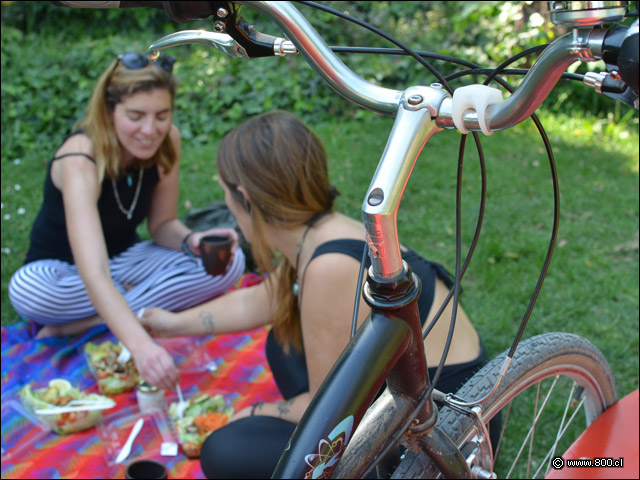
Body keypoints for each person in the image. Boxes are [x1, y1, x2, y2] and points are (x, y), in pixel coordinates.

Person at [140, 111, 487, 477]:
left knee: (226, 450)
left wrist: (252, 411)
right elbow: (259, 300)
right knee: (283, 342)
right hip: (419, 401)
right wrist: (169, 324)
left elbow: (324, 413)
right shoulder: (316, 233)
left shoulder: (329, 265)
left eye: (224, 192)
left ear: (243, 196)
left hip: (443, 436)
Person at [8, 52, 245, 391]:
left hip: (124, 264)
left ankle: (82, 323)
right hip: (63, 274)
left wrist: (191, 241)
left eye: (162, 115)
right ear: (109, 112)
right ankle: (129, 311)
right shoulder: (81, 159)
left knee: (229, 262)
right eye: (136, 116)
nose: (150, 130)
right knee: (27, 290)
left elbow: (162, 224)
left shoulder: (168, 141)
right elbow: (93, 272)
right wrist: (141, 346)